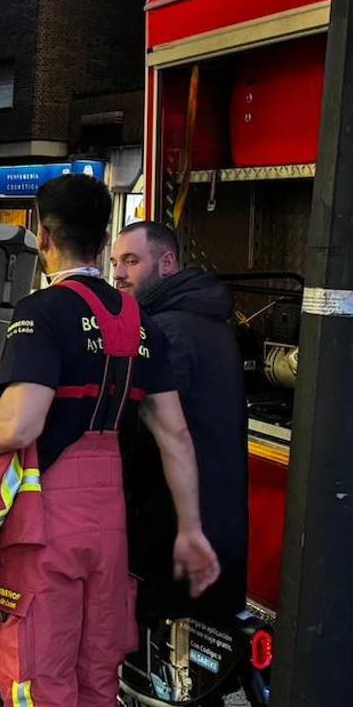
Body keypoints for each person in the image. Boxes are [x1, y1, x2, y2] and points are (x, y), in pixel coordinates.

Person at [0, 176, 219, 707]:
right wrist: (192, 531)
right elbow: (175, 434)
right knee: (96, 681)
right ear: (101, 241)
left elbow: (19, 424)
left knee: (39, 691)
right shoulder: (140, 322)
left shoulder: (43, 313)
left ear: (44, 237)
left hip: (47, 525)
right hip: (109, 520)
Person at [111, 221, 248, 620]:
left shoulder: (166, 330)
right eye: (116, 262)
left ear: (167, 263)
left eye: (132, 261)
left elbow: (141, 431)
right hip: (214, 518)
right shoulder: (204, 319)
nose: (118, 273)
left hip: (172, 526)